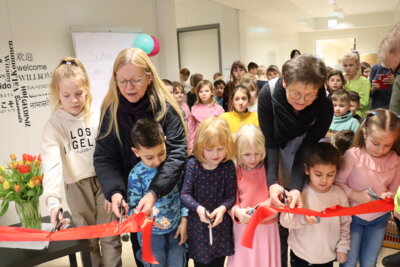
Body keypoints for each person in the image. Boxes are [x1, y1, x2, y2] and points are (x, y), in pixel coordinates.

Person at [93, 48, 187, 267]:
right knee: (147, 256)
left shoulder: (166, 109)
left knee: (175, 257)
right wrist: (115, 192)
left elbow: (177, 155)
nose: (129, 87)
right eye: (122, 81)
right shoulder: (111, 110)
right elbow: (104, 157)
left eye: (135, 80)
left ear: (149, 77)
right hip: (135, 200)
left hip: (169, 197)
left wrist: (155, 192)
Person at [41, 57, 122, 267]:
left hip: (103, 182)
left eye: (78, 94)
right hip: (76, 186)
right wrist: (53, 202)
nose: (74, 100)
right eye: (66, 95)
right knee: (88, 240)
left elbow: (113, 152)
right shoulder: (54, 126)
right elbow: (51, 165)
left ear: (86, 90)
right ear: (57, 94)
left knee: (110, 236)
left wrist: (115, 189)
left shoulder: (98, 116)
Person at [258, 54, 333, 267]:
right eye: (296, 93)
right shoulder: (268, 94)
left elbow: (306, 149)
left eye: (310, 95)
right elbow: (270, 143)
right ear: (284, 82)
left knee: (300, 221)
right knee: (277, 223)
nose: (302, 100)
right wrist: (272, 183)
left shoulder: (325, 104)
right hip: (274, 156)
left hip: (304, 158)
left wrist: (296, 187)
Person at [335, 109, 400, 267]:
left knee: (370, 260)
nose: (381, 150)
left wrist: (389, 195)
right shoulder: (353, 156)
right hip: (352, 218)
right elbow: (337, 184)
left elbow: (395, 187)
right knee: (349, 260)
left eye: (387, 145)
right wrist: (356, 195)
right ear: (364, 134)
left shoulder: (395, 160)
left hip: (379, 219)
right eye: (376, 143)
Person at [128, 118, 188, 267]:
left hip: (176, 230)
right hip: (151, 235)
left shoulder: (173, 168)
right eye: (149, 157)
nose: (157, 161)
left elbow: (184, 194)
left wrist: (184, 221)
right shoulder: (136, 175)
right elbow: (132, 210)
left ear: (165, 142)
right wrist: (145, 216)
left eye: (161, 153)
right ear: (136, 152)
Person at [280, 142, 351, 267]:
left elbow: (345, 223)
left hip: (326, 257)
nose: (324, 180)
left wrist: (342, 248)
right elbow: (285, 221)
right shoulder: (299, 193)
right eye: (318, 174)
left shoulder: (339, 195)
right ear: (307, 169)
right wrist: (303, 219)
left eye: (330, 175)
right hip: (300, 255)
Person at [180, 117, 236, 267]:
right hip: (198, 227)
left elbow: (231, 195)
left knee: (218, 263)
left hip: (221, 227)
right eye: (209, 149)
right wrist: (198, 208)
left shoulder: (228, 166)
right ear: (200, 146)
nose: (215, 154)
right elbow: (184, 194)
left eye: (220, 148)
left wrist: (223, 208)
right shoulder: (193, 165)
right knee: (200, 264)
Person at [227, 124, 280, 267]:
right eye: (247, 154)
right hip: (243, 227)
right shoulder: (235, 171)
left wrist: (264, 208)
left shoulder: (269, 169)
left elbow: (277, 196)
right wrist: (237, 211)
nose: (253, 159)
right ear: (238, 152)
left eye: (257, 153)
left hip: (267, 228)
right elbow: (231, 200)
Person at [189, 80, 224, 150]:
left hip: (215, 141)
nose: (204, 94)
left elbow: (222, 128)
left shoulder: (218, 109)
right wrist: (190, 146)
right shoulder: (194, 109)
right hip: (199, 142)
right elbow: (191, 129)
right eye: (201, 91)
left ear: (212, 92)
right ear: (197, 93)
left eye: (206, 91)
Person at [342, 52, 371, 118]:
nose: (348, 68)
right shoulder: (343, 80)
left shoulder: (364, 81)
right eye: (345, 65)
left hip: (358, 116)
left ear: (357, 65)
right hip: (343, 116)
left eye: (351, 65)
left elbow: (364, 103)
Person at [172, 81, 194, 154]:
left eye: (181, 92)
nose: (180, 95)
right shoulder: (170, 107)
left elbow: (190, 124)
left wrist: (190, 145)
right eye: (176, 93)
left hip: (186, 138)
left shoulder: (185, 106)